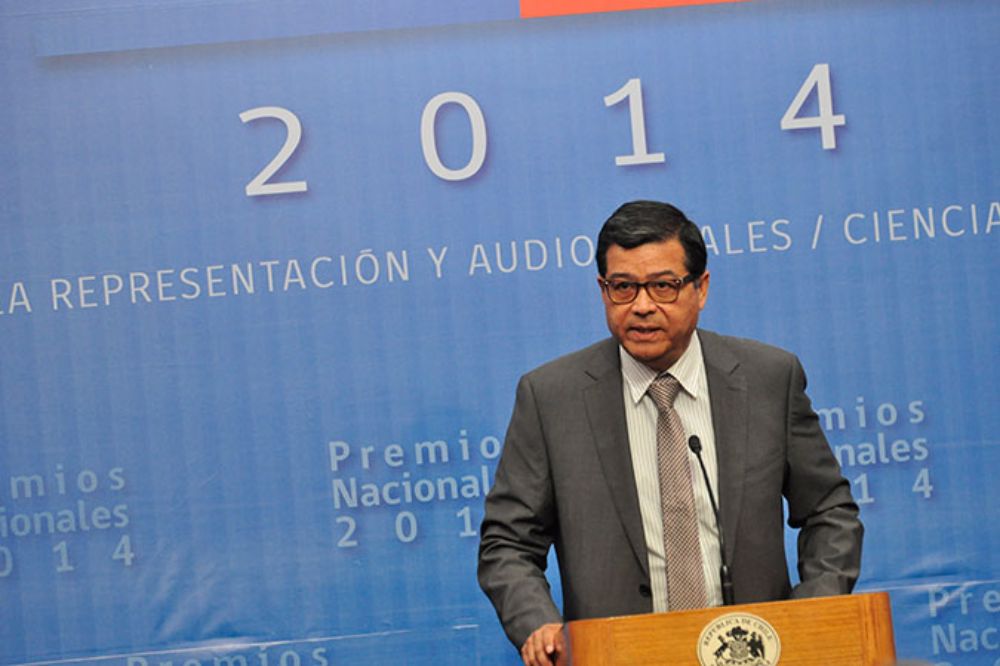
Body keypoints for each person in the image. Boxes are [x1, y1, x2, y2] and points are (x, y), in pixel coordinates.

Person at [477, 201, 863, 666]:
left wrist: (812, 611)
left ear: (700, 289)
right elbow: (508, 542)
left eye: (662, 286)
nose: (641, 306)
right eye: (622, 287)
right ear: (603, 290)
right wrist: (536, 622)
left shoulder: (768, 379)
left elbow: (828, 510)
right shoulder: (551, 398)